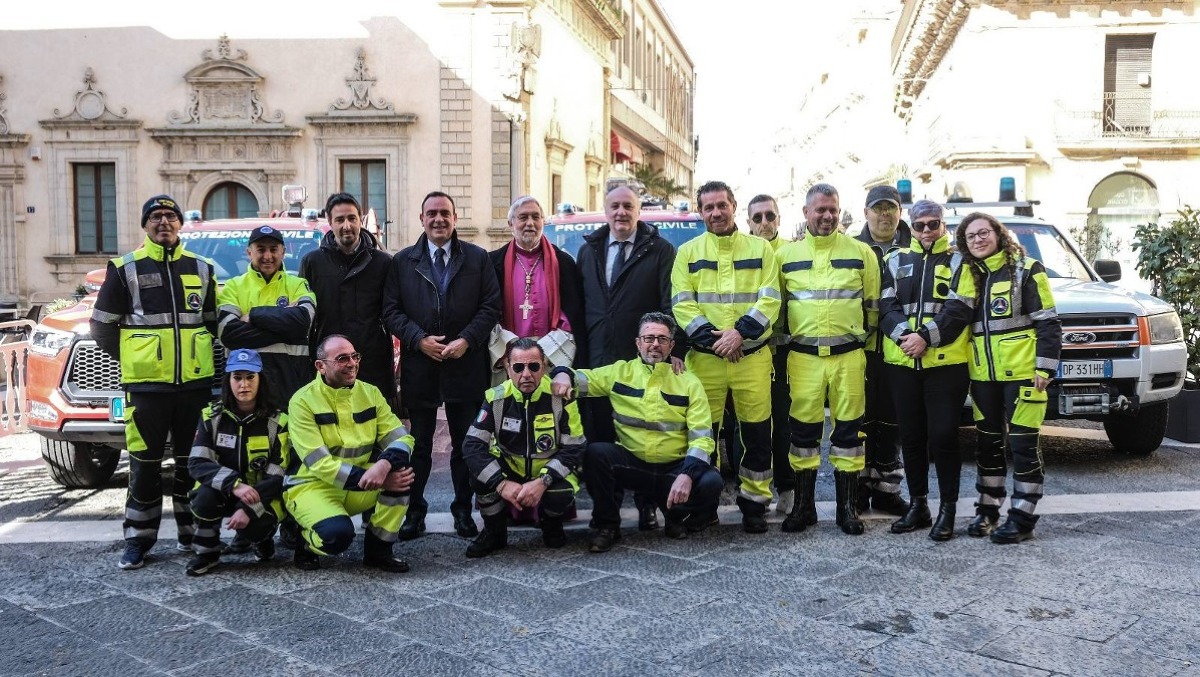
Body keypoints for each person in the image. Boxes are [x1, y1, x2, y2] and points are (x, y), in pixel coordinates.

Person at [91, 195, 219, 570]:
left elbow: (213, 325)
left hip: (194, 389)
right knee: (144, 467)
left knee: (191, 465)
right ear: (145, 225)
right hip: (146, 389)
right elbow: (101, 326)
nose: (164, 222)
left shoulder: (203, 267)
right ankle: (138, 541)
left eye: (170, 216)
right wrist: (137, 359)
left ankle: (191, 535)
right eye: (156, 217)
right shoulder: (124, 268)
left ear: (180, 224)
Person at [382, 191, 502, 540]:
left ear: (454, 218)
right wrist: (418, 339)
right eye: (431, 213)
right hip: (421, 365)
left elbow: (490, 306)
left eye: (445, 213)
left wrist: (467, 339)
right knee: (418, 446)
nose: (438, 219)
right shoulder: (402, 261)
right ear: (422, 219)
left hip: (465, 364)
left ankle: (463, 510)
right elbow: (390, 311)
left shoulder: (477, 259)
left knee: (467, 445)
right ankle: (414, 511)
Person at [551, 312, 723, 552]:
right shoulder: (620, 372)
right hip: (632, 464)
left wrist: (687, 474)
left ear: (672, 345)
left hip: (672, 469)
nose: (655, 344)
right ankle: (607, 526)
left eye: (662, 339)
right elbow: (581, 380)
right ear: (638, 342)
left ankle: (677, 517)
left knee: (710, 481)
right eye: (649, 338)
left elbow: (702, 438)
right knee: (596, 454)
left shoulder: (689, 382)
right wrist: (561, 372)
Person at [671, 181, 780, 533]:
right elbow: (682, 303)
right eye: (708, 207)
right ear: (700, 211)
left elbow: (770, 299)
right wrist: (718, 341)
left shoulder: (761, 248)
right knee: (704, 433)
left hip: (751, 357)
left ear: (734, 206)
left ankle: (754, 504)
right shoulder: (687, 252)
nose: (716, 212)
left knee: (756, 432)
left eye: (722, 205)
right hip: (706, 360)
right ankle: (706, 505)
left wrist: (739, 334)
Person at [575, 184, 681, 531]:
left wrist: (670, 352)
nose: (621, 213)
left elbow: (669, 305)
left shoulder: (661, 251)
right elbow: (581, 307)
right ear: (605, 211)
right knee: (602, 438)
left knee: (643, 434)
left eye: (628, 207)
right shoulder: (588, 250)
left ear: (638, 211)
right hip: (599, 360)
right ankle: (606, 514)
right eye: (615, 206)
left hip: (643, 362)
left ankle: (648, 505)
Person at [777, 183, 880, 535]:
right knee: (803, 434)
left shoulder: (861, 252)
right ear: (805, 213)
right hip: (803, 358)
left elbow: (874, 308)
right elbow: (776, 309)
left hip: (849, 358)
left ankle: (847, 509)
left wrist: (868, 354)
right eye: (820, 209)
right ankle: (804, 508)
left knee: (849, 434)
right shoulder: (785, 257)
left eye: (833, 209)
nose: (827, 215)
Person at [956, 212, 1061, 543]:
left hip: (1023, 378)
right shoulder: (968, 277)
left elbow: (1048, 322)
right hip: (984, 378)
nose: (978, 240)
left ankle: (1022, 518)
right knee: (987, 445)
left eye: (983, 232)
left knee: (1023, 446)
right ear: (965, 244)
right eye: (971, 237)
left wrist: (1045, 368)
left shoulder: (1026, 269)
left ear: (998, 234)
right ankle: (987, 511)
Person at [877, 200, 974, 540]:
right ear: (911, 227)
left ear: (943, 225)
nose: (927, 231)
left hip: (946, 365)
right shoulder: (894, 259)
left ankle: (948, 508)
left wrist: (926, 339)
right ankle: (919, 505)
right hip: (903, 363)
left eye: (934, 224)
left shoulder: (961, 261)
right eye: (920, 225)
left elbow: (959, 309)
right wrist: (906, 337)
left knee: (944, 436)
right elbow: (885, 305)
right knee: (912, 437)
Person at [284, 335, 417, 571]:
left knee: (401, 473)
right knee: (336, 536)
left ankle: (378, 552)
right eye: (342, 358)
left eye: (354, 356)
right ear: (320, 366)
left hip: (356, 485)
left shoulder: (371, 393)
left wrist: (384, 465)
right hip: (311, 487)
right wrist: (372, 479)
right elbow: (320, 464)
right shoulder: (301, 402)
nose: (352, 363)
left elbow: (402, 437)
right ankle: (306, 541)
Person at [462, 338, 585, 557]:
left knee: (563, 491)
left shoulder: (562, 397)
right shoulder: (495, 398)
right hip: (510, 471)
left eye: (534, 366)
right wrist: (500, 483)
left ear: (544, 366)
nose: (526, 374)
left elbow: (574, 448)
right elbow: (472, 446)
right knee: (479, 475)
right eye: (518, 367)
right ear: (507, 368)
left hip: (548, 473)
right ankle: (495, 532)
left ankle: (551, 523)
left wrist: (543, 481)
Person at [186, 349, 287, 575]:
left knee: (258, 525)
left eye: (250, 377)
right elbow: (197, 462)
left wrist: (248, 508)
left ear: (261, 380)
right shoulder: (211, 417)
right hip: (226, 490)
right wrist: (235, 485)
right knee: (204, 498)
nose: (244, 384)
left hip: (261, 494)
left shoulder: (278, 421)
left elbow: (278, 474)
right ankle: (207, 553)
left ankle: (261, 540)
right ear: (228, 381)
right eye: (237, 377)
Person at [298, 193, 395, 406]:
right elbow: (304, 315)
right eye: (339, 219)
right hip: (328, 366)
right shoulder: (312, 263)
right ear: (330, 223)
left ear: (360, 220)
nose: (347, 225)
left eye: (352, 218)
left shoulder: (384, 263)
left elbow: (392, 313)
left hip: (372, 364)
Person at [853, 185, 912, 517]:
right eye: (878, 208)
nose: (885, 214)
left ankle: (888, 492)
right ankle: (859, 490)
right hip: (860, 351)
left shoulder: (914, 247)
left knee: (892, 423)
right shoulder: (851, 248)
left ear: (899, 212)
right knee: (859, 422)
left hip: (898, 351)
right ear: (866, 213)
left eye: (891, 208)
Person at [216, 225, 316, 409]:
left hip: (291, 386)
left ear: (283, 252)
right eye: (261, 249)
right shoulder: (233, 286)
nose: (267, 256)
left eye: (273, 249)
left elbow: (303, 323)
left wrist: (254, 315)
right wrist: (286, 327)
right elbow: (227, 333)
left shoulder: (299, 284)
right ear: (249, 252)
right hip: (245, 389)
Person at [487, 196, 585, 382]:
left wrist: (543, 351)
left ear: (543, 221)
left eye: (536, 217)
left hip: (550, 356)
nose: (530, 223)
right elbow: (488, 311)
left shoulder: (563, 262)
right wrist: (514, 350)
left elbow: (572, 313)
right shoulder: (493, 263)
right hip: (508, 354)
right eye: (523, 217)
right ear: (511, 223)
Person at [747, 193, 797, 517]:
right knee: (752, 425)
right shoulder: (744, 253)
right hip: (750, 352)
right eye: (758, 218)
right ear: (748, 223)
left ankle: (788, 488)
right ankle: (754, 492)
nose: (765, 222)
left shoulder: (792, 253)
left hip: (784, 353)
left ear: (779, 218)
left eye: (770, 216)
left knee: (784, 424)